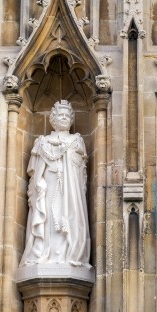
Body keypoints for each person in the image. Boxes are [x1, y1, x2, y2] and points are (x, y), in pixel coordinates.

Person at [20, 100, 91, 267]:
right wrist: (39, 183)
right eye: (61, 115)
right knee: (50, 219)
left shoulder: (77, 141)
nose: (64, 118)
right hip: (50, 187)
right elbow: (35, 171)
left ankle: (70, 255)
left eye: (67, 115)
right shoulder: (43, 142)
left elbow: (81, 172)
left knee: (70, 219)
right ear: (53, 119)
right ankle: (44, 255)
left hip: (71, 190)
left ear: (72, 119)